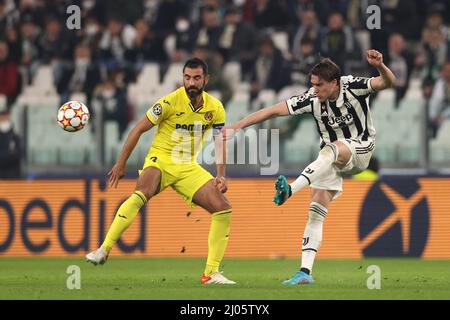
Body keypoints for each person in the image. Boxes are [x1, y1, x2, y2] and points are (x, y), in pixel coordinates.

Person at [222, 50, 396, 284]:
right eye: (312, 84)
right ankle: (305, 272)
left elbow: (387, 82)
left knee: (332, 148)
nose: (314, 89)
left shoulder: (352, 86)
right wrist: (238, 125)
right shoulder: (312, 98)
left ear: (334, 83)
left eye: (319, 85)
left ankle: (290, 191)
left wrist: (381, 66)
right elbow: (273, 110)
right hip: (331, 160)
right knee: (315, 211)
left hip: (360, 149)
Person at [86, 58, 236, 285]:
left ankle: (210, 273)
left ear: (206, 79)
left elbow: (220, 142)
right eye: (187, 77)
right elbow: (138, 129)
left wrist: (221, 174)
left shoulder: (215, 108)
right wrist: (121, 163)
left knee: (223, 209)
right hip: (161, 159)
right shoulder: (168, 102)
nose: (191, 82)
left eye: (196, 78)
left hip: (188, 166)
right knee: (142, 192)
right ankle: (104, 249)